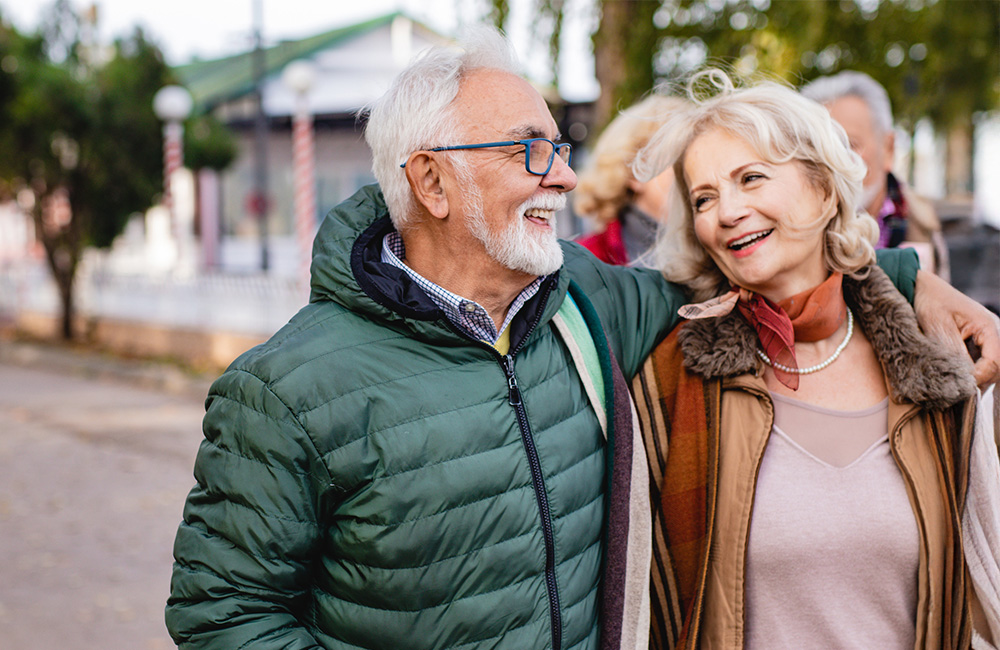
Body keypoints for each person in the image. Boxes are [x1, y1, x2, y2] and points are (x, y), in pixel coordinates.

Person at [164, 29, 1000, 650]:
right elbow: (224, 615)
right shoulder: (284, 389)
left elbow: (750, 263)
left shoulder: (582, 302)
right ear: (431, 180)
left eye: (559, 148)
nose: (562, 176)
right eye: (530, 151)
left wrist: (907, 274)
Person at [619, 70, 1000, 649]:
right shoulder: (671, 379)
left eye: (751, 178)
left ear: (824, 191)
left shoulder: (940, 368)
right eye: (705, 198)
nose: (726, 212)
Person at [801, 70, 950, 280]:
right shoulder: (791, 231)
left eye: (849, 145)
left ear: (888, 148)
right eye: (820, 148)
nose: (834, 161)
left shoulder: (921, 225)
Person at [573, 95, 689, 266]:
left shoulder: (720, 246)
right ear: (635, 172)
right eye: (678, 156)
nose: (692, 169)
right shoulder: (583, 262)